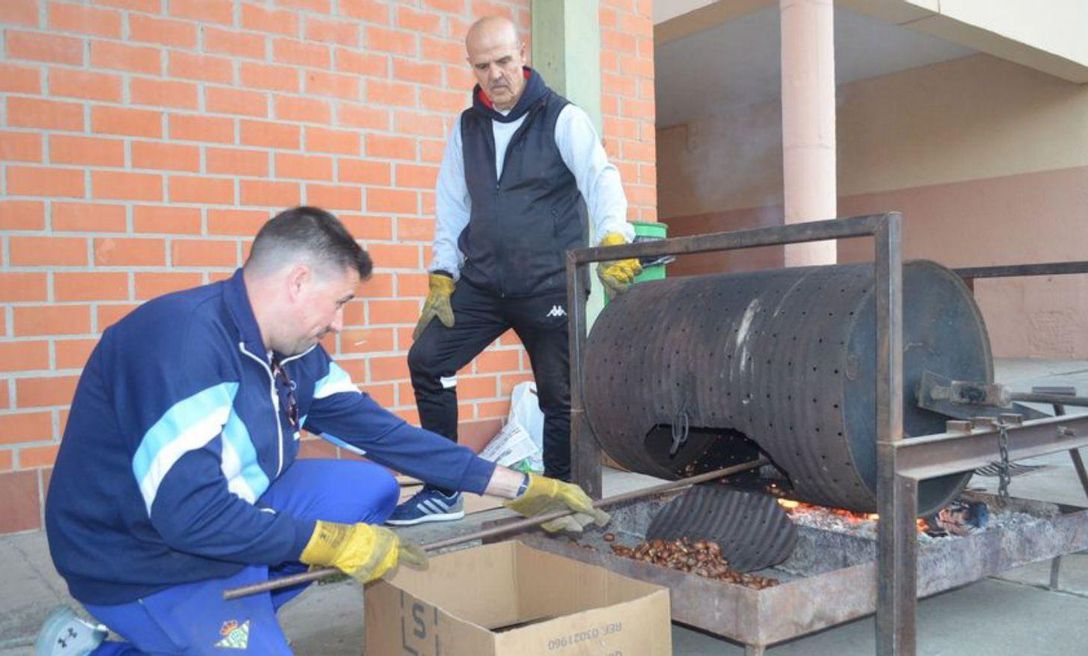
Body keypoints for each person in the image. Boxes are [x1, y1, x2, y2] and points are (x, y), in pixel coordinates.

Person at [35, 207, 608, 656]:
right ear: (297, 281)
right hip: (142, 558)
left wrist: (519, 488)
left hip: (223, 519)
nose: (340, 321)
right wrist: (329, 543)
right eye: (340, 303)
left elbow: (384, 436)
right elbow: (190, 517)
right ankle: (111, 644)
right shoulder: (180, 344)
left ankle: (229, 610)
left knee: (368, 491)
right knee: (291, 570)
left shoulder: (292, 350)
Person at [390, 15, 642, 526]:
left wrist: (614, 236)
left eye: (504, 61)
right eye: (482, 66)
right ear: (472, 68)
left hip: (549, 283)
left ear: (522, 53)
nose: (495, 74)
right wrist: (443, 272)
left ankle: (560, 499)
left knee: (560, 399)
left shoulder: (562, 118)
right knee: (428, 359)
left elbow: (601, 179)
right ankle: (444, 490)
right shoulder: (467, 128)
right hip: (483, 283)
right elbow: (451, 206)